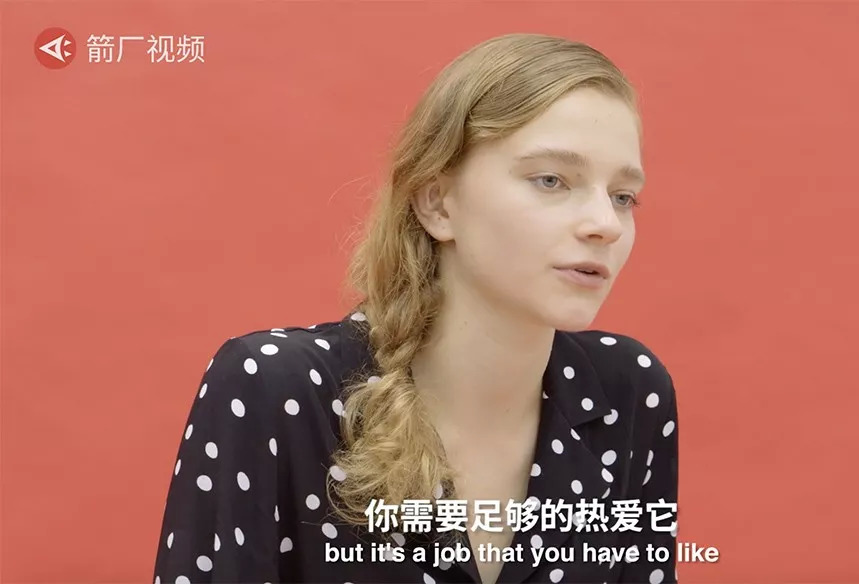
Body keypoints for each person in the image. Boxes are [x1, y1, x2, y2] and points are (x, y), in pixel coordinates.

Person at [153, 32, 679, 584]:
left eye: (623, 196)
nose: (605, 224)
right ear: (437, 203)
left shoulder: (627, 392)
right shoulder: (276, 389)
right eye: (551, 180)